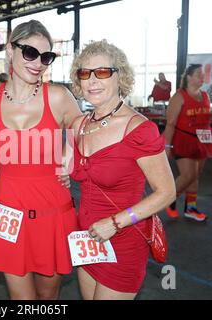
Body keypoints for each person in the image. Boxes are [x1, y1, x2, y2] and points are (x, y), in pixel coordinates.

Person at [0, 20, 82, 300]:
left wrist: (67, 158)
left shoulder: (58, 96)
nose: (39, 63)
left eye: (46, 57)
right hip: (7, 213)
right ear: (10, 50)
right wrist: (3, 173)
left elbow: (82, 126)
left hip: (53, 213)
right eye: (30, 53)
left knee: (48, 297)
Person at [69, 39, 175, 300]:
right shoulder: (79, 124)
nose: (92, 81)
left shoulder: (139, 129)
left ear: (120, 76)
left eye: (102, 72)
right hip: (87, 240)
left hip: (123, 240)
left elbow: (167, 192)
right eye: (85, 73)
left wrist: (115, 223)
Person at [164, 64, 211, 222]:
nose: (202, 77)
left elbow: (206, 119)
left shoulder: (205, 96)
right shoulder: (179, 96)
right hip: (184, 139)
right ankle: (169, 199)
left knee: (195, 176)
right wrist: (167, 145)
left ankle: (190, 208)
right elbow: (170, 123)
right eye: (199, 74)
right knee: (188, 175)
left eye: (203, 74)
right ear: (189, 77)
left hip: (203, 139)